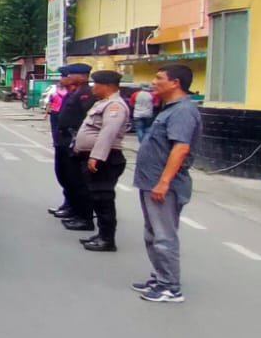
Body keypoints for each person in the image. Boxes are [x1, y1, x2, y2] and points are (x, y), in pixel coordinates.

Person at [132, 64, 201, 303]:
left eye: (159, 78)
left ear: (175, 83)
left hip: (164, 185)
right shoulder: (168, 108)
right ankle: (159, 277)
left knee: (164, 236)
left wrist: (163, 183)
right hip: (150, 181)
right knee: (152, 234)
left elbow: (180, 149)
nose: (153, 82)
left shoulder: (182, 111)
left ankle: (170, 287)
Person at [69, 70, 132, 252]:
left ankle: (107, 239)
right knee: (96, 198)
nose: (93, 87)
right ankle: (101, 234)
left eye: (96, 83)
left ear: (107, 85)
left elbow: (108, 133)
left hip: (106, 158)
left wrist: (96, 156)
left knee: (103, 198)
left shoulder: (115, 106)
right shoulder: (103, 103)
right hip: (97, 157)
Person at [49, 64, 94, 221]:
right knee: (65, 176)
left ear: (81, 76)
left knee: (76, 179)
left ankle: (80, 212)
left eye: (67, 75)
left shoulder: (85, 94)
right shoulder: (72, 93)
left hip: (73, 141)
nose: (64, 78)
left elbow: (84, 120)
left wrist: (76, 140)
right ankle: (70, 205)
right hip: (63, 140)